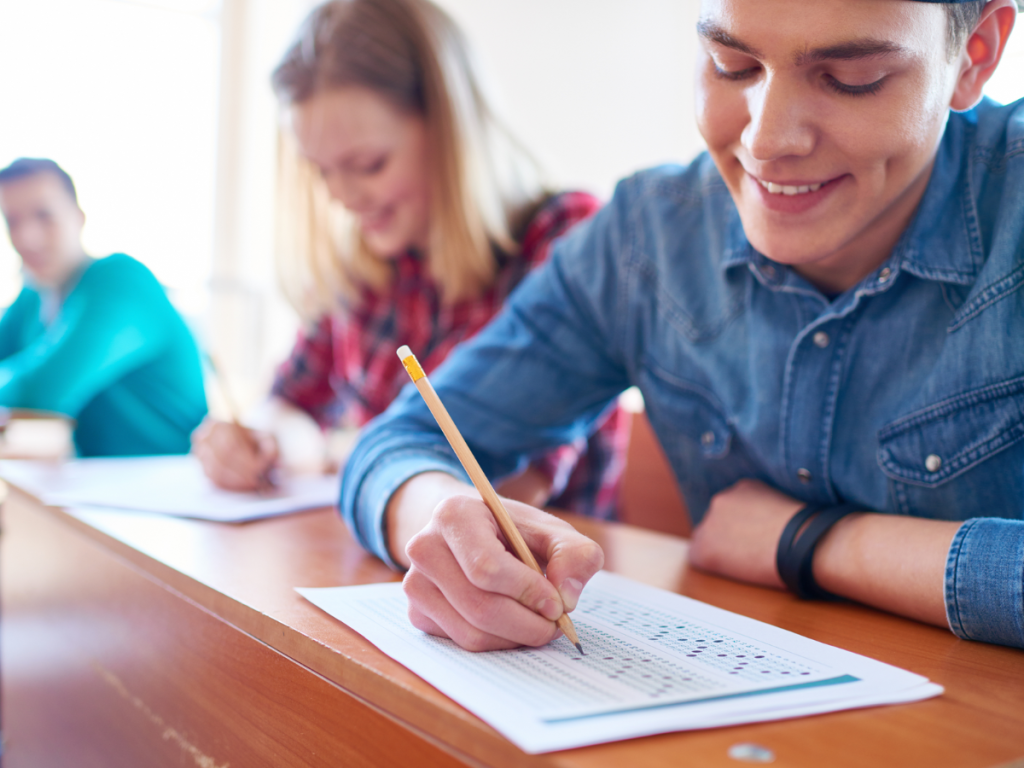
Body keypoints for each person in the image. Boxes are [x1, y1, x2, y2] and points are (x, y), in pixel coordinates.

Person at [340, 0, 1024, 652]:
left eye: (852, 79)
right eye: (732, 65)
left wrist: (812, 542)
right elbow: (397, 445)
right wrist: (440, 521)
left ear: (975, 55)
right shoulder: (648, 239)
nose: (767, 138)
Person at [192, 0, 625, 516]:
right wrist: (266, 442)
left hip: (547, 575)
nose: (342, 196)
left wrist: (372, 474)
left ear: (450, 130)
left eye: (368, 165)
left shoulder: (564, 238)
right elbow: (293, 403)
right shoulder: (365, 263)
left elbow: (520, 481)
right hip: (394, 561)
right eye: (322, 171)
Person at [0, 158, 208, 457]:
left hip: (171, 484)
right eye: (12, 221)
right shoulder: (33, 297)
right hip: (95, 486)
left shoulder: (121, 281)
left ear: (78, 216)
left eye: (44, 215)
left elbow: (39, 392)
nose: (26, 237)